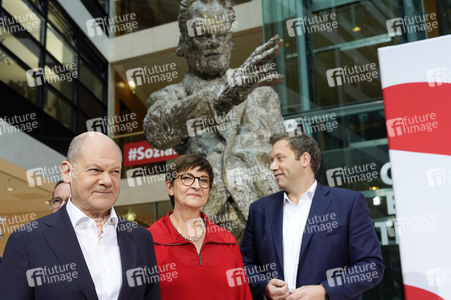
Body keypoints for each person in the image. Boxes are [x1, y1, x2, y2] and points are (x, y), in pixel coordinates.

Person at [143, 0, 286, 241]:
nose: (214, 42)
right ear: (183, 44)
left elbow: (284, 158)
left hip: (266, 221)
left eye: (221, 33)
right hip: (205, 223)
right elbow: (157, 132)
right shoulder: (171, 96)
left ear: (230, 40)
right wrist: (219, 100)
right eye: (201, 35)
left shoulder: (263, 95)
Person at [0, 132, 160, 300]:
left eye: (115, 172)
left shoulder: (140, 238)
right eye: (95, 170)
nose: (107, 180)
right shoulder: (27, 241)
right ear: (67, 171)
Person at [241, 133, 385, 300]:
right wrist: (264, 286)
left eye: (280, 158)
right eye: (272, 160)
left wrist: (325, 291)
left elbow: (371, 267)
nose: (273, 166)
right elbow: (245, 266)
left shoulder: (348, 203)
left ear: (304, 159)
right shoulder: (260, 210)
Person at [148, 153, 252, 299]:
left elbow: (243, 295)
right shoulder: (150, 240)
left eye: (203, 180)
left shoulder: (226, 241)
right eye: (187, 178)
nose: (196, 186)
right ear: (169, 187)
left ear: (208, 191)